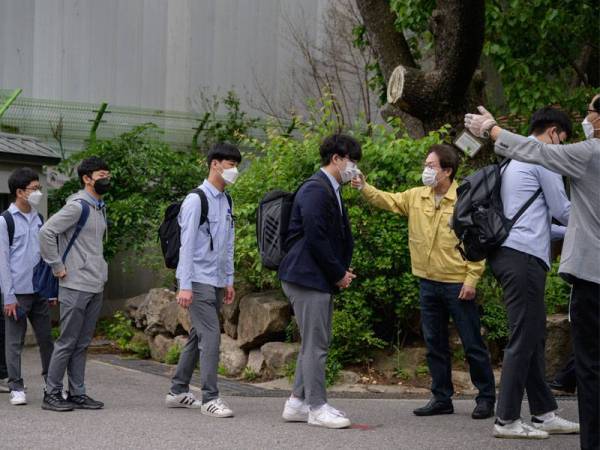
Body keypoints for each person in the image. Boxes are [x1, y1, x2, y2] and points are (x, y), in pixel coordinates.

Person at [466, 94, 599, 449]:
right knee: (525, 337)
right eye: (565, 139)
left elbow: (545, 221)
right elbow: (564, 212)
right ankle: (506, 417)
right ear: (554, 134)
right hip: (523, 257)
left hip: (511, 252)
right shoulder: (542, 162)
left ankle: (543, 411)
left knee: (534, 334)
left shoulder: (514, 161)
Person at [352, 144, 496, 420]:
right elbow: (389, 200)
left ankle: (486, 398)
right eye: (426, 165)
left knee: (472, 343)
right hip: (427, 282)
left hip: (457, 283)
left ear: (447, 171)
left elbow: (477, 244)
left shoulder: (464, 199)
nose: (426, 170)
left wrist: (472, 279)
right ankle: (441, 397)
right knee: (435, 343)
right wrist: (364, 187)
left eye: (431, 166)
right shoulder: (417, 196)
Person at [278, 134, 360, 429]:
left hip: (314, 276)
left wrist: (339, 270)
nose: (354, 167)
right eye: (352, 160)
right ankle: (316, 407)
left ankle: (297, 403)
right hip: (307, 276)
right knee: (317, 345)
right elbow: (316, 237)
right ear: (336, 159)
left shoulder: (331, 188)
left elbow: (329, 237)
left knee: (312, 343)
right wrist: (338, 273)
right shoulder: (316, 188)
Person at [164, 143, 240, 418]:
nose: (234, 170)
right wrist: (184, 285)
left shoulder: (227, 200)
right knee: (210, 336)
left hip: (217, 280)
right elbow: (187, 245)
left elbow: (228, 243)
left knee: (198, 335)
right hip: (196, 280)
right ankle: (210, 397)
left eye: (235, 165)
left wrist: (229, 279)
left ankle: (177, 390)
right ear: (215, 164)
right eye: (230, 164)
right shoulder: (197, 199)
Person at [39, 157, 111, 412]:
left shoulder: (99, 207)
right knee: (67, 341)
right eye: (101, 175)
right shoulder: (77, 207)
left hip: (94, 284)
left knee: (82, 343)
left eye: (107, 175)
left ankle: (77, 393)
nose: (106, 179)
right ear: (87, 178)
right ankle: (51, 393)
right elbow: (46, 232)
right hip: (75, 284)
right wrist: (57, 266)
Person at [0, 168, 55, 405]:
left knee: (46, 340)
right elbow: (2, 261)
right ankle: (16, 387)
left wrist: (51, 289)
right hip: (17, 293)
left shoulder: (39, 218)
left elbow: (45, 255)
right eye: (34, 189)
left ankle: (50, 384)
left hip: (40, 291)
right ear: (20, 192)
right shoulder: (5, 220)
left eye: (38, 188)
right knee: (14, 342)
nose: (38, 192)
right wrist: (8, 297)